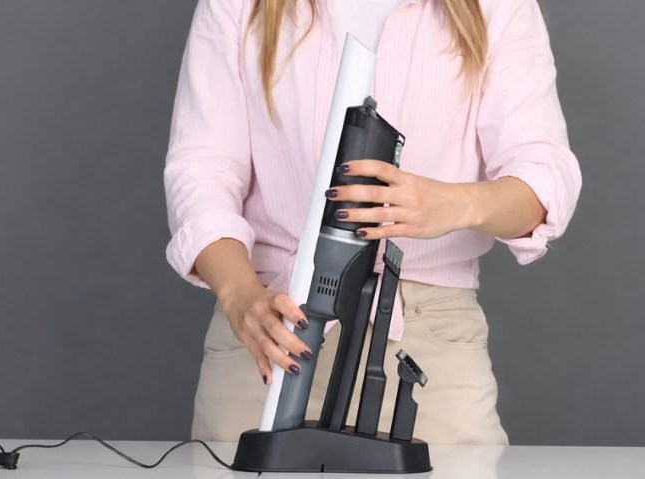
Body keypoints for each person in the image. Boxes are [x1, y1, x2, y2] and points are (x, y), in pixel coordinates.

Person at [164, 0, 581, 445]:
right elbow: (203, 168)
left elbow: (543, 177)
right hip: (268, 330)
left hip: (426, 342)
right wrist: (238, 293)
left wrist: (452, 203)